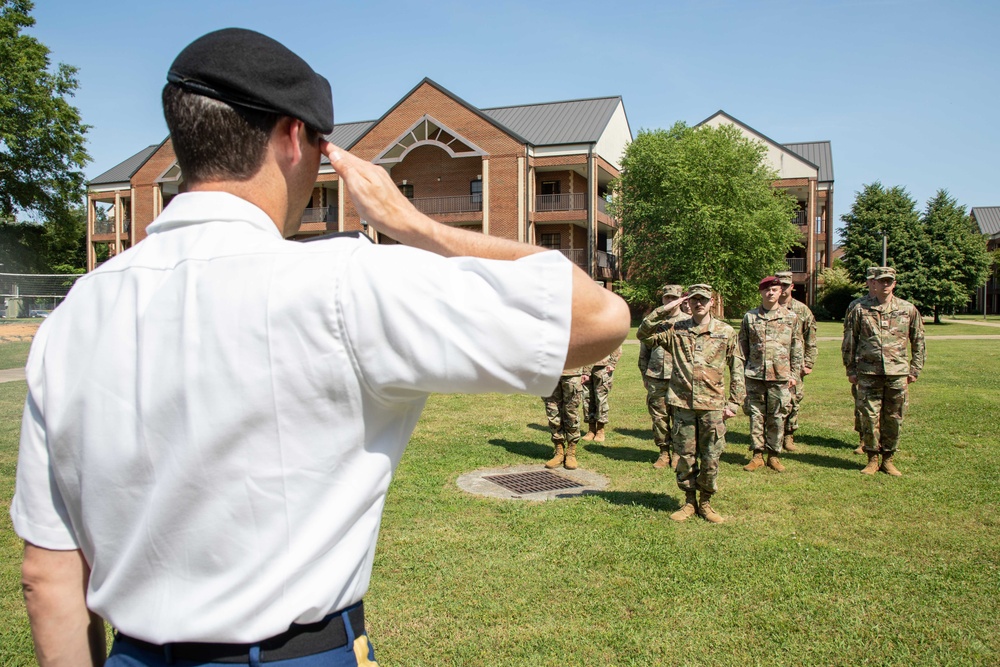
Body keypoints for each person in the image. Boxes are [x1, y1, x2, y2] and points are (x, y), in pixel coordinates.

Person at [11, 28, 630, 666]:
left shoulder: (75, 313)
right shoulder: (345, 284)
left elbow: (47, 575)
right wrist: (412, 224)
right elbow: (600, 316)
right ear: (291, 136)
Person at [638, 285, 744, 523]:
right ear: (687, 302)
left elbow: (737, 366)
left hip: (713, 405)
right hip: (683, 404)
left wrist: (735, 402)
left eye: (703, 300)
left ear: (711, 302)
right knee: (685, 456)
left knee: (711, 456)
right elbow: (643, 334)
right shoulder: (676, 330)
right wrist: (662, 311)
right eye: (694, 299)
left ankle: (705, 502)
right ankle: (688, 501)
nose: (699, 303)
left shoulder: (725, 331)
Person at [842, 266, 925, 476]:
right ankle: (872, 458)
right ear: (874, 283)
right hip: (868, 373)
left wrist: (914, 369)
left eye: (889, 281)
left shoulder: (908, 309)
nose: (885, 285)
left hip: (897, 372)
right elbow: (849, 341)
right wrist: (850, 368)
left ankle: (888, 459)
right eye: (882, 281)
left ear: (894, 284)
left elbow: (918, 340)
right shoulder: (859, 309)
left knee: (894, 417)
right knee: (869, 417)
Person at [739, 276, 803, 473]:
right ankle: (757, 455)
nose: (771, 293)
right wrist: (742, 374)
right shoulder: (750, 317)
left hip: (781, 376)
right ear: (761, 292)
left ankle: (774, 455)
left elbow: (796, 347)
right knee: (756, 416)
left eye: (774, 289)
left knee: (777, 416)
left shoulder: (791, 317)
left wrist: (794, 374)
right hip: (755, 375)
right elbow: (742, 348)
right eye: (767, 290)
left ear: (780, 291)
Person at [637, 284, 688, 468]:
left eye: (674, 298)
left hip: (680, 377)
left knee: (680, 418)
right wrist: (645, 374)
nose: (671, 301)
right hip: (656, 376)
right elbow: (644, 352)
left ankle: (678, 453)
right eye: (667, 298)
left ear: (681, 299)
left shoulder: (688, 321)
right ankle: (664, 452)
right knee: (659, 417)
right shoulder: (653, 323)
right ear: (663, 300)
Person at [774, 271, 817, 452]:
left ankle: (789, 434)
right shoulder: (768, 308)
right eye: (779, 285)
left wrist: (809, 363)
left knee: (794, 399)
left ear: (792, 286)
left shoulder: (801, 310)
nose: (782, 289)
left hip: (795, 363)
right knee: (775, 400)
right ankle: (774, 435)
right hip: (774, 363)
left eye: (786, 285)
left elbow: (811, 338)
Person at [844, 267, 878, 455]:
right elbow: (849, 337)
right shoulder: (857, 305)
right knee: (862, 405)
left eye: (877, 280)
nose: (874, 283)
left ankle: (880, 440)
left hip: (886, 367)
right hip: (863, 365)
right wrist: (850, 366)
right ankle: (863, 439)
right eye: (871, 280)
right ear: (867, 282)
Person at [544, 366, 586, 469]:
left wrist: (587, 371)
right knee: (552, 412)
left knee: (571, 413)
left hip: (572, 373)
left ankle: (571, 452)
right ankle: (559, 451)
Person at [580, 345, 622, 443]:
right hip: (584, 368)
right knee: (587, 398)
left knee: (601, 398)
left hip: (602, 367)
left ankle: (600, 429)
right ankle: (591, 429)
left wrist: (612, 363)